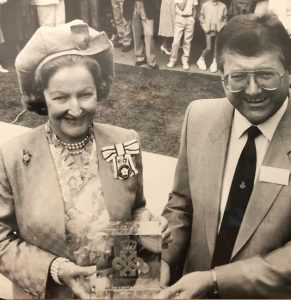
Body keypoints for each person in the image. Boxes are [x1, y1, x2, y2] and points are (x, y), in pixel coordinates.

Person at [0, 20, 171, 299]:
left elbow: (134, 209)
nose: (76, 109)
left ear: (99, 91)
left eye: (85, 94)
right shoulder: (13, 158)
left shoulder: (123, 142)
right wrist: (56, 269)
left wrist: (147, 222)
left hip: (119, 290)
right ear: (41, 97)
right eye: (60, 97)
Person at [159, 12, 291, 298]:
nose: (253, 90)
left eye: (266, 75)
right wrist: (164, 257)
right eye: (238, 77)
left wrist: (215, 279)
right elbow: (182, 203)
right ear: (221, 77)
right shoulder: (198, 116)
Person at [123, 0, 159, 70]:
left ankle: (151, 60)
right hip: (133, 4)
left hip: (147, 5)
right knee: (136, 33)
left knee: (150, 34)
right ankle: (140, 57)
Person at [166, 0, 198, 71]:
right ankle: (172, 60)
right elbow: (174, 8)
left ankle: (185, 60)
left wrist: (193, 19)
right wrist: (175, 20)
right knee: (176, 42)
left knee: (187, 41)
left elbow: (195, 9)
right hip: (179, 18)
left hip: (189, 18)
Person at [196, 0, 227, 73]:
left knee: (216, 48)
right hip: (208, 30)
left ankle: (214, 63)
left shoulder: (223, 6)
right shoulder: (205, 5)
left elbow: (225, 19)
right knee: (208, 47)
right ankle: (201, 60)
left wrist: (221, 26)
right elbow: (201, 17)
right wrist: (204, 27)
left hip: (218, 30)